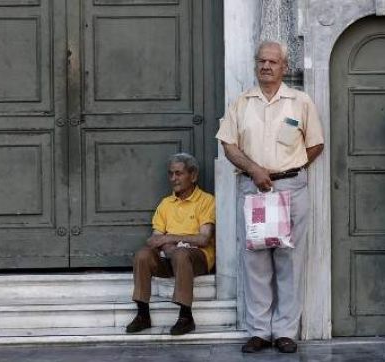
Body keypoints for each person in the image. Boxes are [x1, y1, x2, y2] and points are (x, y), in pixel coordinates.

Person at [216, 40, 324, 354]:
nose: (266, 66)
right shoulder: (241, 103)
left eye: (273, 62)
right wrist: (255, 169)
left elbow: (316, 144)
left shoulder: (300, 102)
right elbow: (229, 145)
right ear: (256, 64)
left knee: (290, 261)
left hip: (290, 189)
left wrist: (287, 169)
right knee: (255, 262)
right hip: (254, 190)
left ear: (284, 67)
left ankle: (286, 331)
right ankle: (260, 331)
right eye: (261, 61)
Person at [125, 152, 216, 336]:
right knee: (143, 254)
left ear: (193, 175)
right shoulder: (166, 204)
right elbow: (154, 239)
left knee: (181, 254)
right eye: (170, 174)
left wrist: (169, 239)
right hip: (169, 257)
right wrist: (167, 244)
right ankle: (143, 314)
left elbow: (203, 239)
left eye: (179, 173)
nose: (173, 178)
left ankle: (185, 316)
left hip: (197, 259)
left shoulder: (207, 201)